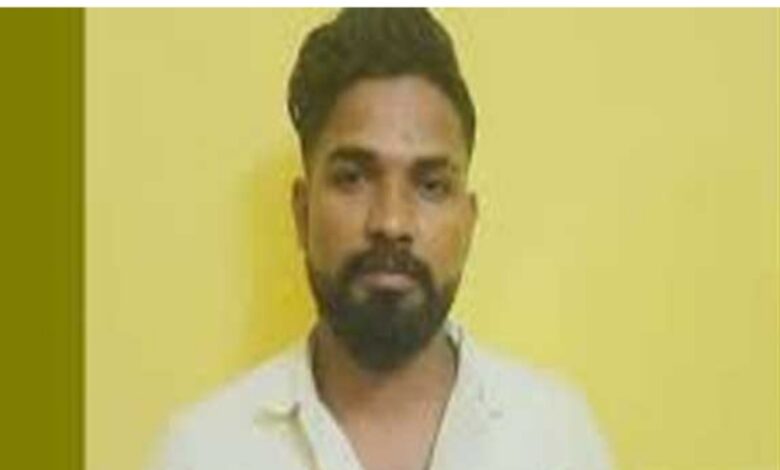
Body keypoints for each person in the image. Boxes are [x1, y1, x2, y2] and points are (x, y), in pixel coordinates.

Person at [151, 8, 612, 470]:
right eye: (352, 178)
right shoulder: (205, 451)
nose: (391, 221)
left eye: (430, 185)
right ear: (302, 212)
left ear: (469, 223)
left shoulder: (557, 439)